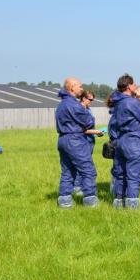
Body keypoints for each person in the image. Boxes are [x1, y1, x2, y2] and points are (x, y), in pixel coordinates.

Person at [55, 78, 103, 208]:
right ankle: (90, 201)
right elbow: (87, 121)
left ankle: (64, 202)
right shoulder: (73, 104)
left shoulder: (61, 104)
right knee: (88, 170)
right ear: (72, 87)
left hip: (62, 139)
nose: (82, 89)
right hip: (74, 140)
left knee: (68, 171)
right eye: (80, 86)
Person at [110, 73, 140, 209]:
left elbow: (113, 123)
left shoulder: (117, 102)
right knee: (134, 174)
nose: (135, 86)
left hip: (120, 140)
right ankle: (132, 206)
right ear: (128, 86)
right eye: (134, 84)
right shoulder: (133, 102)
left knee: (121, 173)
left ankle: (118, 202)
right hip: (134, 140)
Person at [72, 90, 102, 195]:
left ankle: (82, 186)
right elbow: (80, 129)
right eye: (90, 99)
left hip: (89, 140)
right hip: (81, 141)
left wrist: (96, 133)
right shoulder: (78, 110)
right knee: (82, 164)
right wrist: (95, 131)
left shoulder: (88, 109)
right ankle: (77, 187)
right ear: (83, 98)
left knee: (86, 163)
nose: (91, 102)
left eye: (93, 100)